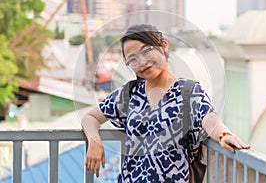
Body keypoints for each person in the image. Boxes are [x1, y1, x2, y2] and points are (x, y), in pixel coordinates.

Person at [81, 24, 250, 182]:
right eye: (133, 59)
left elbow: (208, 118)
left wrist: (224, 135)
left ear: (163, 46)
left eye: (146, 52)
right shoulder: (129, 94)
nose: (142, 62)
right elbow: (90, 117)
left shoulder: (188, 92)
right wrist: (94, 140)